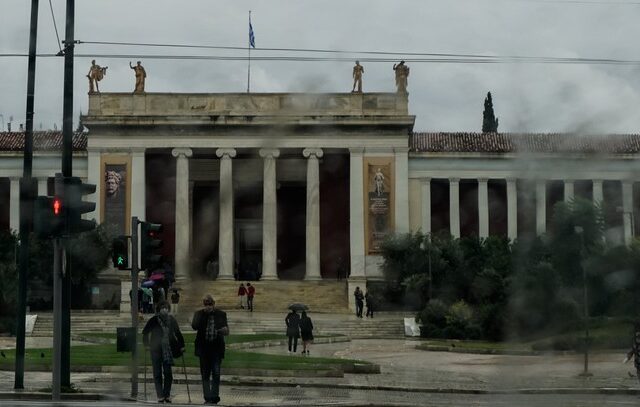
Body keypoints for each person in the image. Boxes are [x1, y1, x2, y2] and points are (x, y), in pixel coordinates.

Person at [142, 300, 184, 404]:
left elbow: (178, 333)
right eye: (162, 308)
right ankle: (160, 395)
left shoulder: (172, 320)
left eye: (166, 308)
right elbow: (145, 333)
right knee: (157, 373)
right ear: (159, 309)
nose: (164, 309)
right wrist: (146, 345)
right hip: (155, 349)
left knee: (168, 373)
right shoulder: (154, 320)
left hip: (167, 350)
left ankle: (167, 394)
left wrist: (182, 346)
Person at [192, 294, 229, 405]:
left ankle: (214, 396)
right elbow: (194, 326)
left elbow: (227, 331)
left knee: (216, 373)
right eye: (206, 304)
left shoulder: (221, 314)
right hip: (203, 349)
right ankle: (207, 397)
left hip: (216, 349)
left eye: (210, 304)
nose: (208, 306)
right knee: (205, 374)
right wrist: (202, 315)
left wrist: (224, 330)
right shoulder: (199, 314)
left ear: (213, 304)